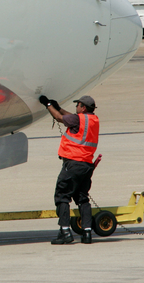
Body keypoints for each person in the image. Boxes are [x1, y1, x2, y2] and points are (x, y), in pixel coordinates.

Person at [39, 95, 99, 244]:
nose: (76, 107)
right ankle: (87, 233)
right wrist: (58, 107)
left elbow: (60, 118)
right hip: (86, 165)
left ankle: (65, 232)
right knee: (83, 199)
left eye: (78, 105)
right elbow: (71, 117)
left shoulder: (79, 119)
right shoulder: (92, 120)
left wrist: (48, 105)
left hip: (73, 165)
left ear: (83, 107)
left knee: (62, 197)